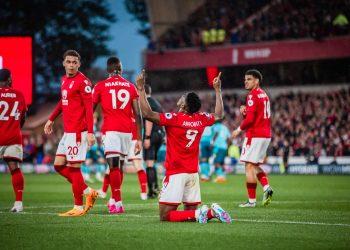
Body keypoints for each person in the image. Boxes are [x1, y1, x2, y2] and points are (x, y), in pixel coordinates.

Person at [136, 70, 231, 224]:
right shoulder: (201, 119)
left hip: (176, 173)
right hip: (193, 172)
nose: (181, 97)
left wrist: (140, 89)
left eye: (183, 97)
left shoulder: (174, 119)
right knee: (192, 215)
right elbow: (219, 115)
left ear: (185, 105)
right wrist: (218, 90)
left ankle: (207, 212)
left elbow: (147, 113)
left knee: (165, 216)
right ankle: (209, 213)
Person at [44, 50, 98, 216]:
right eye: (69, 62)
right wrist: (51, 119)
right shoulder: (65, 80)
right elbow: (63, 101)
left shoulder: (84, 82)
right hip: (68, 132)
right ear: (64, 63)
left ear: (79, 64)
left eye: (75, 62)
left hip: (78, 133)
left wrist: (90, 132)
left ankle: (78, 207)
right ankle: (88, 191)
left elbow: (89, 109)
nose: (72, 65)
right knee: (58, 166)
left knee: (74, 169)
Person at [93, 56, 142, 214]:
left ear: (107, 70)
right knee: (118, 166)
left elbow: (90, 109)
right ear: (120, 69)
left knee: (113, 166)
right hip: (127, 132)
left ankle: (118, 203)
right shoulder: (131, 86)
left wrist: (87, 129)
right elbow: (138, 114)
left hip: (111, 130)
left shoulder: (100, 86)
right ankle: (113, 200)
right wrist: (139, 139)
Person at [232, 69, 273, 208]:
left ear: (256, 81)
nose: (246, 81)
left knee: (248, 166)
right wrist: (246, 111)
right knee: (254, 165)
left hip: (255, 135)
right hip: (266, 135)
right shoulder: (264, 94)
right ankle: (267, 188)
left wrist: (238, 129)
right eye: (245, 79)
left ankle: (251, 201)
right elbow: (256, 115)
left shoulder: (252, 95)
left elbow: (250, 120)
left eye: (249, 79)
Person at [0, 68, 27, 212]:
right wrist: (16, 127)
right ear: (9, 79)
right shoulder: (19, 95)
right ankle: (18, 204)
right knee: (15, 169)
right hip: (13, 136)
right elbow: (23, 117)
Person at [143, 84, 164, 198]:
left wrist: (146, 137)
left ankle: (152, 191)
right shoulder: (157, 103)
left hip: (152, 134)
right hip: (160, 134)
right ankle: (155, 187)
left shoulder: (148, 103)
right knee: (153, 163)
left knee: (149, 163)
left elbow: (149, 120)